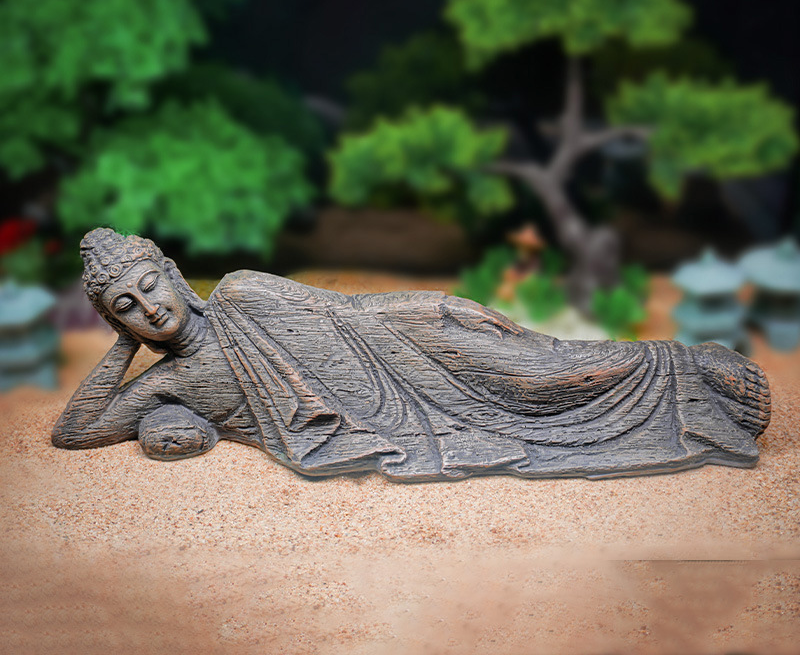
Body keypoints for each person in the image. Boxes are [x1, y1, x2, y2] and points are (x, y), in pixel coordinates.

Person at [52, 228, 771, 480]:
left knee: (535, 372)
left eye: (150, 286)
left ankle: (688, 371)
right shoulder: (169, 384)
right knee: (530, 417)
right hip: (382, 422)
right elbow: (75, 431)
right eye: (127, 308)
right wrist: (123, 346)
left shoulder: (240, 294)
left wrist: (433, 305)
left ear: (173, 273)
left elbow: (343, 312)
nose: (150, 308)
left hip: (400, 352)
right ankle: (690, 404)